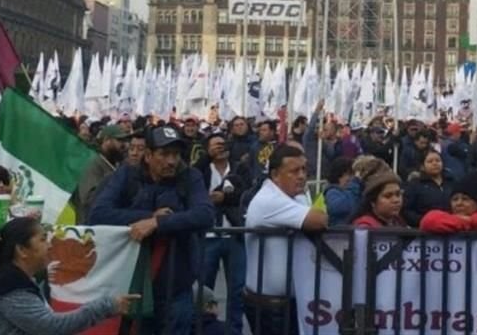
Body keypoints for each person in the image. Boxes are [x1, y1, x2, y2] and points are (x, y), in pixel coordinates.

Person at [89, 125, 214, 333]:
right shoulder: (126, 175)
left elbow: (205, 214)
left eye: (175, 154)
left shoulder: (190, 176)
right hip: (131, 285)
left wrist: (159, 223)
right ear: (147, 155)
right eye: (164, 154)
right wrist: (147, 217)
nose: (172, 161)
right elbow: (98, 213)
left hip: (175, 287)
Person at [0, 217, 139, 335]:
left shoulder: (12, 278)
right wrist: (106, 306)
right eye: (43, 239)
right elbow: (53, 326)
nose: (50, 244)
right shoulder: (10, 288)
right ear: (22, 250)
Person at [244, 143, 328, 335]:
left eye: (304, 170)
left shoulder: (295, 196)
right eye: (294, 171)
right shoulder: (268, 199)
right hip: (270, 306)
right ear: (274, 175)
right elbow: (319, 220)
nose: (301, 176)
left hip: (290, 301)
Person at [196, 132, 248, 335]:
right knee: (204, 288)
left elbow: (246, 192)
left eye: (223, 144)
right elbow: (192, 189)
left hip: (233, 234)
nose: (220, 147)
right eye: (215, 145)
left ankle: (235, 330)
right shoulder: (201, 169)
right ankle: (204, 327)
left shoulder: (239, 168)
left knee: (237, 288)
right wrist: (205, 158)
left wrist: (224, 199)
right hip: (208, 236)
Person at [72, 125, 128, 224]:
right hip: (90, 228)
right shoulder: (93, 163)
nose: (124, 145)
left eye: (125, 141)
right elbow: (88, 199)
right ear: (107, 140)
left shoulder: (116, 163)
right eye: (119, 140)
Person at [402, 149, 453, 227]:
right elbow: (406, 210)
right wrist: (424, 221)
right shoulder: (415, 185)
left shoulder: (451, 182)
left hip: (452, 228)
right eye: (430, 161)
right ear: (422, 166)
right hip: (425, 231)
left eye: (438, 160)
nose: (435, 163)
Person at [323, 157, 361, 226]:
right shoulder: (332, 191)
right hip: (339, 234)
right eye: (349, 174)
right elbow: (338, 207)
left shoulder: (354, 191)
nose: (351, 178)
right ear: (339, 175)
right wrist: (354, 184)